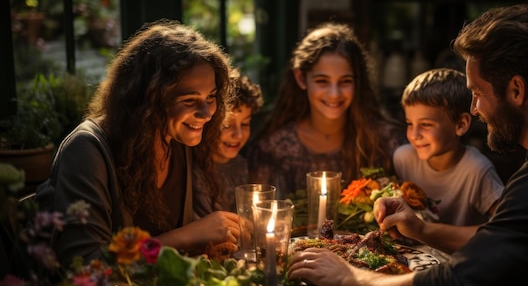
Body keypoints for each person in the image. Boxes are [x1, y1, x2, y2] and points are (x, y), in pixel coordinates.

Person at [287, 4, 528, 286]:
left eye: (478, 93)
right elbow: (506, 242)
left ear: (517, 90)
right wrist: (421, 230)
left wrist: (348, 276)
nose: (475, 109)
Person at [34, 20, 242, 266]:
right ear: (148, 99)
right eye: (189, 100)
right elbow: (87, 267)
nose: (207, 113)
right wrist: (187, 236)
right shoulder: (87, 149)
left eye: (211, 97)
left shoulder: (176, 139)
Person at [246, 22, 405, 197]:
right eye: (322, 81)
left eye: (345, 81)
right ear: (301, 78)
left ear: (358, 81)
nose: (334, 94)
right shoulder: (273, 149)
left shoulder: (383, 142)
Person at [393, 68, 504, 226]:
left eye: (425, 125)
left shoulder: (477, 170)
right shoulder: (403, 159)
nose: (414, 134)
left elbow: (506, 228)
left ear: (460, 124)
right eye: (410, 124)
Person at [193, 68, 264, 214]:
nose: (238, 135)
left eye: (245, 123)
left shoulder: (242, 165)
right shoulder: (193, 170)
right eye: (226, 125)